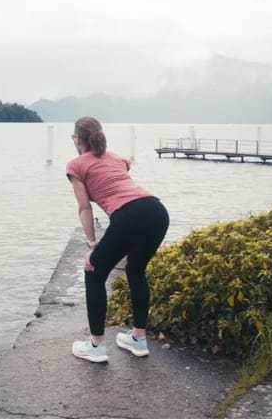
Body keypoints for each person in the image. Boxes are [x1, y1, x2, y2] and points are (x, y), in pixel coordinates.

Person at [65, 116, 170, 363]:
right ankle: (138, 339)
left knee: (93, 272)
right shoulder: (118, 158)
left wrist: (92, 246)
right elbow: (120, 180)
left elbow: (84, 208)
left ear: (77, 139)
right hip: (156, 211)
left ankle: (96, 346)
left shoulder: (76, 165)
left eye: (73, 137)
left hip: (129, 215)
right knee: (135, 270)